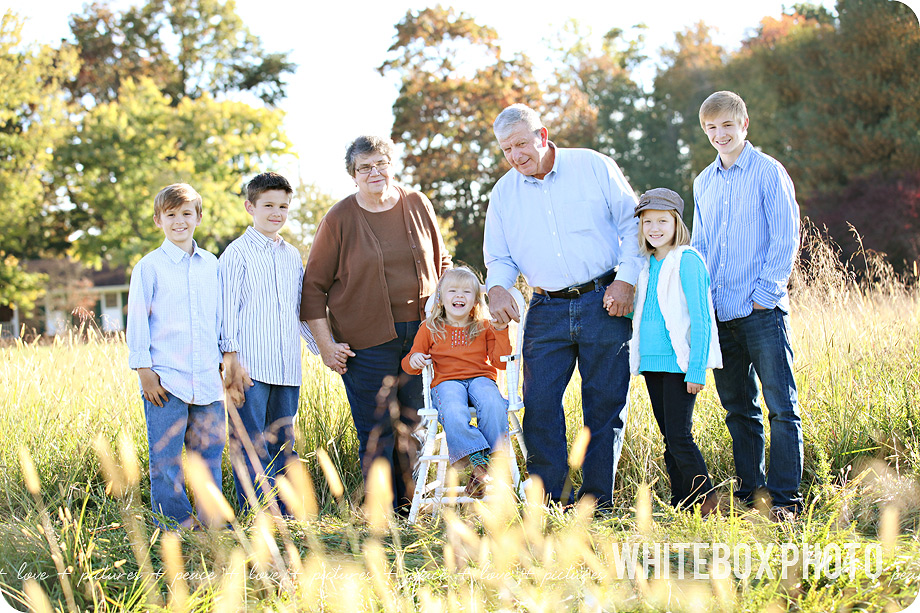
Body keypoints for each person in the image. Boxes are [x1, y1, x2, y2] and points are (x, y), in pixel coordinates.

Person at [483, 103, 643, 508]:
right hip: (545, 308)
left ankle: (596, 504)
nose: (516, 155)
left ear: (542, 134)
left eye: (522, 143)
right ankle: (551, 501)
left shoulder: (593, 166)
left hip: (605, 299)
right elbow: (499, 259)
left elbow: (632, 224)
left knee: (604, 405)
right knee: (538, 405)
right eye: (506, 149)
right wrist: (498, 288)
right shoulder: (503, 194)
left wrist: (626, 279)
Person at [301, 135, 451, 511]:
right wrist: (326, 346)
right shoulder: (338, 218)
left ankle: (410, 508)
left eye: (380, 163)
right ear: (353, 174)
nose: (374, 172)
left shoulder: (417, 203)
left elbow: (443, 264)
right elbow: (313, 288)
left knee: (415, 426)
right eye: (364, 167)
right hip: (366, 343)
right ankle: (380, 513)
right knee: (377, 429)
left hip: (422, 338)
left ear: (391, 165)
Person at [691, 90, 803, 519]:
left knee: (781, 407)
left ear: (744, 125)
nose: (719, 135)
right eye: (711, 128)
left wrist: (765, 295)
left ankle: (784, 499)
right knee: (739, 409)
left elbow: (784, 236)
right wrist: (701, 302)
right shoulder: (704, 181)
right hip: (719, 313)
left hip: (761, 310)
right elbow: (700, 245)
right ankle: (751, 495)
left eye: (726, 126)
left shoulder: (768, 172)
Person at [126, 183, 225, 529]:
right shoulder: (149, 267)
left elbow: (221, 317)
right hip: (165, 379)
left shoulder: (212, 265)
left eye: (186, 213)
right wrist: (143, 370)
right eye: (171, 215)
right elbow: (137, 320)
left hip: (208, 379)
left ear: (198, 217)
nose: (179, 221)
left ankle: (213, 520)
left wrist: (226, 359)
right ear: (159, 220)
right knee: (166, 458)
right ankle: (175, 522)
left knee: (209, 455)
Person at [220, 171, 318, 516]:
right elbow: (226, 311)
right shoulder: (236, 254)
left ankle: (283, 515)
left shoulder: (292, 255)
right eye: (269, 205)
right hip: (251, 367)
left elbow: (300, 310)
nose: (276, 213)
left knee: (283, 445)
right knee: (249, 443)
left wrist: (323, 350)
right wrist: (230, 362)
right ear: (250, 206)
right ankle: (255, 514)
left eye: (283, 206)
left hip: (287, 367)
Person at [627, 188, 722, 516]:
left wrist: (697, 369)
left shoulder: (687, 260)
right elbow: (644, 311)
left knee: (680, 437)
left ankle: (707, 501)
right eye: (648, 222)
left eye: (662, 221)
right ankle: (684, 504)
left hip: (680, 364)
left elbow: (702, 318)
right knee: (670, 438)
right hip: (653, 364)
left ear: (676, 223)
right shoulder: (646, 266)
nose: (654, 228)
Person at [401, 267, 511, 498]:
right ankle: (482, 466)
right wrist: (416, 358)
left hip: (481, 377)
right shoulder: (429, 328)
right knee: (452, 408)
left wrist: (501, 330)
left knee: (493, 402)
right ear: (440, 298)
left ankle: (482, 469)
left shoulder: (484, 327)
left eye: (466, 292)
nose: (459, 296)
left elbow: (501, 363)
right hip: (447, 381)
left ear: (475, 301)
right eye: (452, 291)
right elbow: (408, 364)